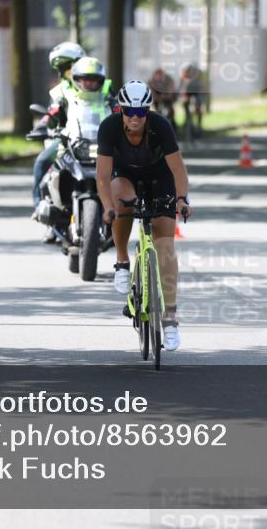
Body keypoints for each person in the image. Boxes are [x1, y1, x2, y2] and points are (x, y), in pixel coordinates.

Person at [95, 80, 192, 352]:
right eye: (130, 112)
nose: (135, 118)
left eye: (141, 112)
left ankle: (170, 318)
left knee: (165, 245)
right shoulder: (109, 128)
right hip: (125, 176)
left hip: (160, 177)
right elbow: (102, 177)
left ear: (147, 111)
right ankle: (122, 262)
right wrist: (106, 207)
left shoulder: (160, 126)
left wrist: (182, 199)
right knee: (122, 200)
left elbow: (178, 171)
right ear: (121, 110)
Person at [32, 41, 85, 242]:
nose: (66, 71)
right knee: (42, 162)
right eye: (63, 68)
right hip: (66, 139)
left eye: (69, 66)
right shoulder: (60, 91)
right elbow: (53, 111)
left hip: (93, 140)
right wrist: (43, 124)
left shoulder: (97, 85)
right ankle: (40, 208)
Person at [178, 62, 205, 138]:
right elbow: (182, 86)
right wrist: (183, 96)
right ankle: (187, 118)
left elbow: (202, 86)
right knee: (185, 103)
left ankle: (199, 125)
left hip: (197, 90)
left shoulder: (199, 74)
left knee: (198, 105)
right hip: (187, 90)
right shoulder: (183, 74)